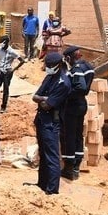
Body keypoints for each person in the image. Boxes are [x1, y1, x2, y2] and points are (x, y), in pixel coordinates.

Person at [29, 52, 71, 195]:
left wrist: (44, 100)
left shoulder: (63, 83)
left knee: (52, 157)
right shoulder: (50, 77)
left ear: (58, 65)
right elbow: (35, 97)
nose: (47, 67)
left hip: (51, 123)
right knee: (43, 154)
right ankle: (42, 184)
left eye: (50, 65)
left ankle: (52, 190)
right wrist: (44, 98)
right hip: (42, 120)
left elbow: (48, 105)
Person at [61, 46, 94, 180]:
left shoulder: (77, 69)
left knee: (69, 136)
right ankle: (76, 166)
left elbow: (81, 87)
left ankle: (69, 168)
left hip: (73, 106)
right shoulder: (88, 66)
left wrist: (65, 95)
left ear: (69, 57)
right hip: (81, 105)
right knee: (78, 135)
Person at [0, 35, 26, 113]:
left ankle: (3, 107)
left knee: (5, 90)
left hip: (7, 73)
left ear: (6, 42)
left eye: (2, 42)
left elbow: (22, 61)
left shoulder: (12, 52)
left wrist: (13, 69)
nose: (0, 44)